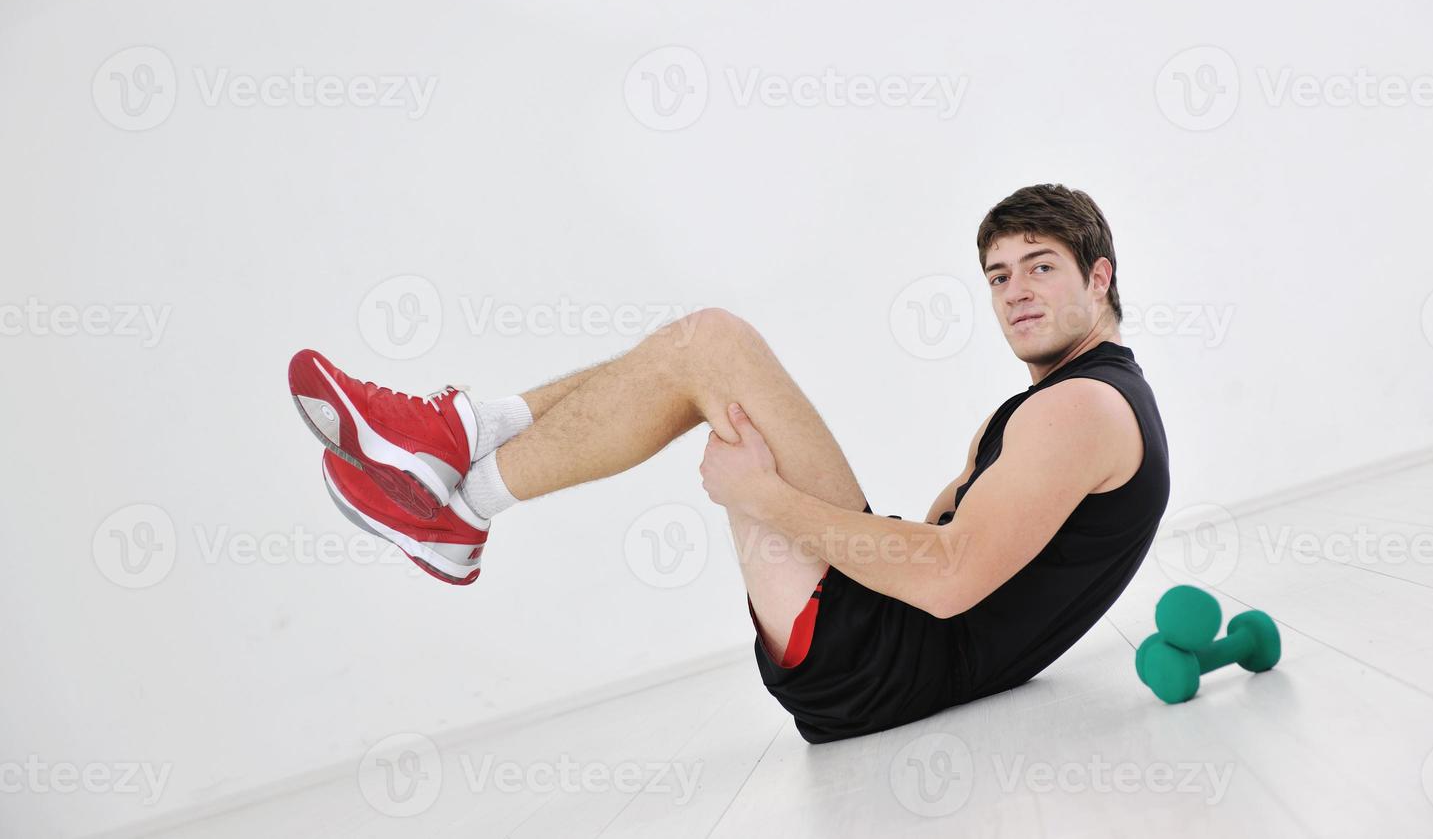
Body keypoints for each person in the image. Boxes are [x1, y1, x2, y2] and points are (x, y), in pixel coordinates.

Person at [287, 183, 1169, 743]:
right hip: (881, 657)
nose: (1013, 291)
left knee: (713, 344)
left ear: (1099, 278)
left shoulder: (1083, 408)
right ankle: (462, 465)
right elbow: (940, 542)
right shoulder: (1052, 407)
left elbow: (943, 580)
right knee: (692, 352)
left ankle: (459, 483)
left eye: (1039, 268)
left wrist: (764, 497)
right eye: (997, 274)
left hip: (889, 662)